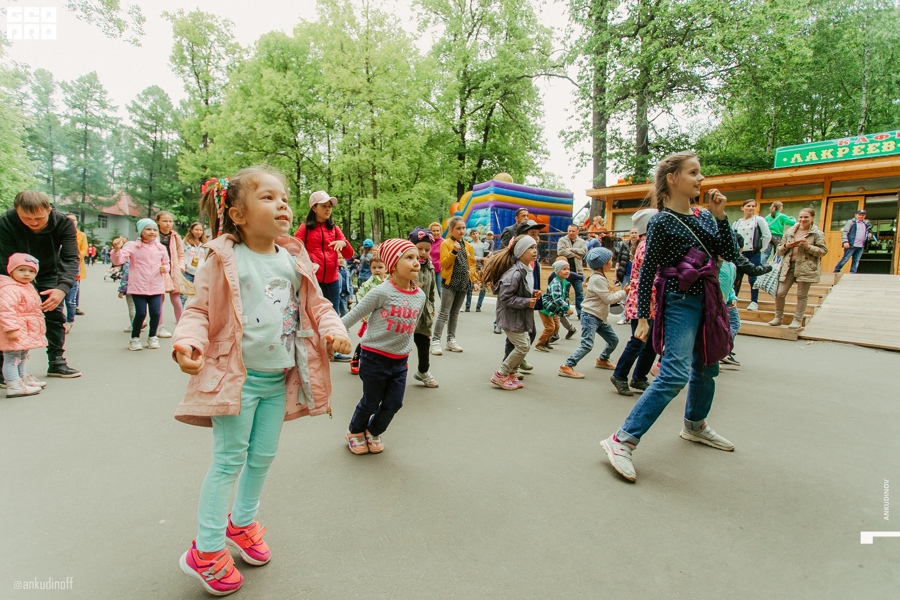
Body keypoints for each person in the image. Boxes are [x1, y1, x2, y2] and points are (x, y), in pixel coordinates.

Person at [174, 167, 350, 596]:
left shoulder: (293, 258)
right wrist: (186, 343)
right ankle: (207, 549)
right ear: (237, 214)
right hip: (237, 379)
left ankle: (242, 523)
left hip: (278, 379)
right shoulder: (223, 259)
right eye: (268, 198)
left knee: (262, 457)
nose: (283, 205)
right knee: (228, 460)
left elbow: (318, 305)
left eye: (284, 197)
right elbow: (198, 311)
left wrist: (336, 329)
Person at [599, 152, 739, 483]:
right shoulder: (660, 221)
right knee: (674, 375)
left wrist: (721, 217)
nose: (701, 179)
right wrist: (644, 317)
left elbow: (731, 255)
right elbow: (646, 270)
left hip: (708, 299)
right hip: (677, 302)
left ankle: (695, 424)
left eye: (700, 173)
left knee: (708, 365)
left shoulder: (705, 216)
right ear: (673, 178)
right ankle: (621, 440)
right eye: (693, 173)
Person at [340, 238, 425, 454]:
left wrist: (407, 345)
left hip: (400, 361)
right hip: (374, 357)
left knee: (395, 403)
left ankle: (373, 430)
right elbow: (354, 315)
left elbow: (409, 325)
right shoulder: (381, 292)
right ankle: (355, 431)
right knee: (370, 402)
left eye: (417, 258)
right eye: (409, 258)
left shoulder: (420, 296)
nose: (417, 262)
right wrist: (333, 332)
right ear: (393, 265)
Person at [0, 191, 81, 379]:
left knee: (54, 314)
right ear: (16, 211)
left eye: (39, 218)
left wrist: (62, 288)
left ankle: (56, 361)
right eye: (26, 218)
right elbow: (6, 258)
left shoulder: (63, 223)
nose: (34, 223)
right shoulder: (6, 221)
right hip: (11, 271)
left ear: (49, 210)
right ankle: (4, 370)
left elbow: (70, 258)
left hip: (47, 271)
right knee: (9, 316)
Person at [294, 190, 354, 361]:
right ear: (314, 208)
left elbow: (349, 254)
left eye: (329, 207)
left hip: (333, 279)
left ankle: (333, 349)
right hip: (312, 280)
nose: (328, 210)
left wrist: (344, 243)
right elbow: (294, 249)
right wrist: (308, 263)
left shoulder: (334, 228)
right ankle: (310, 349)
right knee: (309, 314)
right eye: (324, 206)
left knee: (333, 313)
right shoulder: (305, 228)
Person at [610, 209, 658, 396]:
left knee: (652, 342)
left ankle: (639, 377)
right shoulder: (647, 246)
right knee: (639, 339)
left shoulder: (651, 244)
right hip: (643, 300)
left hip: (652, 300)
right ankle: (620, 375)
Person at [559, 247, 626, 379]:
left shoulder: (599, 277)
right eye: (610, 260)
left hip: (599, 317)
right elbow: (608, 299)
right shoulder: (598, 279)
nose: (612, 262)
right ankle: (567, 365)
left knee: (613, 340)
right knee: (587, 344)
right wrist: (624, 292)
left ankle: (602, 359)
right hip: (591, 316)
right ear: (603, 264)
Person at [483, 234, 539, 390]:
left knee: (525, 344)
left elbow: (520, 291)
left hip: (518, 316)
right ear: (520, 252)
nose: (535, 251)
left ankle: (511, 374)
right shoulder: (514, 273)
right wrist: (527, 302)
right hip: (509, 316)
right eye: (530, 248)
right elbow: (505, 297)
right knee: (522, 346)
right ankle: (501, 374)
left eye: (535, 247)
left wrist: (532, 293)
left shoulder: (526, 270)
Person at [111, 219, 169, 351]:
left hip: (156, 286)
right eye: (148, 229)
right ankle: (135, 338)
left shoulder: (160, 247)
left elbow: (167, 263)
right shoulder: (132, 246)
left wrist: (165, 268)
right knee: (141, 313)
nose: (152, 232)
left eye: (154, 229)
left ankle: (152, 337)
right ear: (141, 231)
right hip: (138, 286)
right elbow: (118, 260)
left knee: (156, 313)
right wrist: (117, 249)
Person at [770, 208, 828, 329]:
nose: (803, 220)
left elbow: (823, 251)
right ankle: (778, 317)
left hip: (806, 267)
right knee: (779, 293)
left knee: (802, 295)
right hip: (788, 266)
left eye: (806, 217)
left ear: (812, 218)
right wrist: (786, 246)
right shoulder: (790, 231)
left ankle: (797, 320)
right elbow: (780, 250)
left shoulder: (817, 233)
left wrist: (808, 247)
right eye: (801, 217)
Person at [0, 254, 47, 397]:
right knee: (12, 358)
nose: (27, 274)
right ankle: (13, 384)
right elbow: (5, 310)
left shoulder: (26, 286)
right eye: (21, 270)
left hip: (23, 329)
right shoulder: (9, 289)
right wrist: (11, 329)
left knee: (21, 355)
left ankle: (22, 378)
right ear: (11, 270)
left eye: (31, 271)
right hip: (14, 330)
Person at [431, 216, 476, 355]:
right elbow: (444, 263)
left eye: (463, 228)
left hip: (463, 283)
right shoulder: (446, 244)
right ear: (451, 229)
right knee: (444, 312)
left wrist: (473, 280)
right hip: (450, 283)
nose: (461, 231)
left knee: (455, 313)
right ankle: (436, 342)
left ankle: (451, 340)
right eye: (458, 228)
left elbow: (472, 264)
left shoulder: (468, 245)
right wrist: (454, 252)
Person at [409, 227, 439, 388]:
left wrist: (432, 306)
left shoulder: (430, 266)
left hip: (424, 312)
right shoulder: (407, 265)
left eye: (427, 249)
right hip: (407, 312)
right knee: (403, 344)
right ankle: (394, 373)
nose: (423, 252)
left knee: (424, 343)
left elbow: (432, 289)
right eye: (419, 248)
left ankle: (423, 371)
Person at [349, 254, 386, 375]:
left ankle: (380, 362)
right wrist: (362, 314)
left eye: (380, 267)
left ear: (386, 267)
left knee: (382, 339)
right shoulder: (368, 284)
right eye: (374, 267)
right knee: (366, 339)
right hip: (370, 317)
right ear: (370, 268)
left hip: (384, 317)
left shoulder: (389, 282)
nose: (377, 270)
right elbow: (360, 297)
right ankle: (355, 358)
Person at [732, 199, 771, 311]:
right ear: (742, 207)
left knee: (753, 278)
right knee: (736, 277)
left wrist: (760, 248)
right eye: (748, 206)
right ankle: (734, 299)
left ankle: (754, 301)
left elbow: (767, 235)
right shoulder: (736, 222)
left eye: (753, 206)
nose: (751, 208)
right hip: (740, 254)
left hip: (753, 253)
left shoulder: (758, 220)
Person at [154, 211, 185, 338]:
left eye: (170, 221)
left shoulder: (175, 236)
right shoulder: (154, 236)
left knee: (176, 299)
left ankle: (182, 326)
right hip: (159, 270)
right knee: (159, 299)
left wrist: (181, 266)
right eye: (165, 221)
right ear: (158, 222)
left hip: (173, 269)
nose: (168, 224)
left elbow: (180, 253)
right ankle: (159, 326)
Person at [535, 259, 573, 352]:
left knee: (556, 327)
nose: (567, 271)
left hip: (552, 309)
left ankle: (546, 342)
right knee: (550, 327)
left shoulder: (563, 282)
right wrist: (567, 308)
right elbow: (557, 299)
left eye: (568, 269)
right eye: (564, 269)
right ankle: (540, 344)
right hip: (546, 308)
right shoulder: (556, 283)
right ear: (557, 271)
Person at [63, 213, 88, 333]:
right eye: (69, 220)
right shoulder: (61, 233)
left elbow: (84, 249)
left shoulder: (81, 235)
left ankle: (75, 307)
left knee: (74, 290)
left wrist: (78, 256)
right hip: (62, 266)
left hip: (76, 264)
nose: (72, 222)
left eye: (74, 220)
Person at [556, 224, 587, 317]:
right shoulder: (562, 240)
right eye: (569, 231)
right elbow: (560, 252)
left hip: (578, 272)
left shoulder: (581, 241)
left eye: (573, 231)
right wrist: (575, 255)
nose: (571, 233)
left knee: (580, 294)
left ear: (577, 232)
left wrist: (570, 249)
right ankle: (566, 311)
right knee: (565, 293)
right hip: (565, 272)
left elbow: (584, 251)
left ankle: (580, 313)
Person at [718, 251, 741, 367]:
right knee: (717, 329)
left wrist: (733, 297)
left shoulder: (732, 266)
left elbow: (731, 285)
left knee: (734, 323)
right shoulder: (718, 263)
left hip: (727, 301)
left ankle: (723, 351)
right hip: (716, 300)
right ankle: (719, 353)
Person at [833, 209, 873, 274]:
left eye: (862, 215)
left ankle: (853, 272)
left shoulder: (865, 223)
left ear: (864, 216)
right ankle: (836, 270)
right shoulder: (851, 222)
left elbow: (868, 232)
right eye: (859, 215)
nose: (861, 216)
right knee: (845, 258)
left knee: (856, 260)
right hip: (851, 244)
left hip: (861, 245)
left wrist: (869, 234)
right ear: (856, 215)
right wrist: (845, 241)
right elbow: (845, 232)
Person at [181, 221, 208, 307]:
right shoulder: (185, 242)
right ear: (192, 230)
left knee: (198, 294)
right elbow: (180, 253)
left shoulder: (205, 244)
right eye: (196, 229)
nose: (199, 232)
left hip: (200, 273)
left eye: (201, 230)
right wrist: (184, 264)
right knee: (184, 295)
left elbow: (207, 257)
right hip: (188, 272)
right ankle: (181, 314)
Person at [465, 229, 488, 312]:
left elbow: (487, 254)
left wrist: (487, 257)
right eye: (473, 234)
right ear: (471, 236)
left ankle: (479, 306)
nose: (475, 235)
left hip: (483, 267)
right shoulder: (469, 245)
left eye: (476, 233)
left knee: (483, 287)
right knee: (470, 286)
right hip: (473, 267)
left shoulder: (484, 245)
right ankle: (468, 305)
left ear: (479, 234)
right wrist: (481, 258)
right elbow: (470, 256)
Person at [429, 222, 444, 298]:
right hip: (429, 268)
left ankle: (446, 308)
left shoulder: (443, 242)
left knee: (440, 290)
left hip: (440, 269)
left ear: (440, 231)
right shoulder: (428, 241)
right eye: (433, 231)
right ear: (430, 231)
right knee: (428, 290)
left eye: (437, 231)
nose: (435, 233)